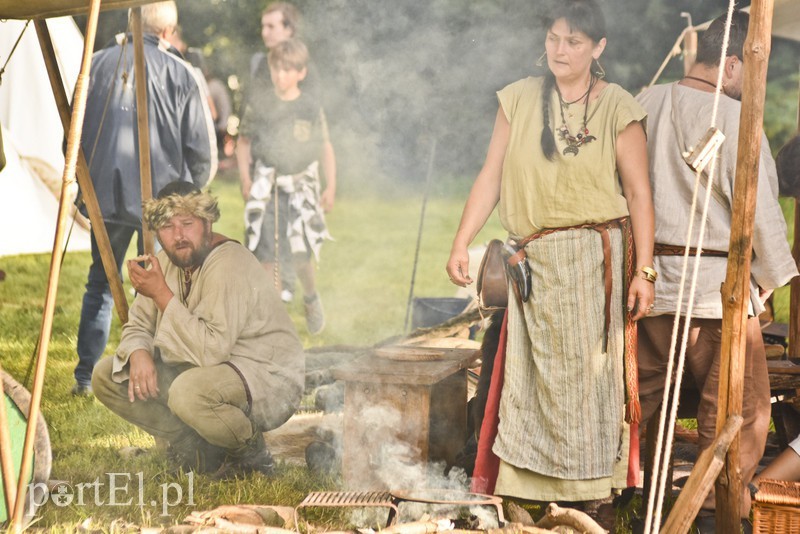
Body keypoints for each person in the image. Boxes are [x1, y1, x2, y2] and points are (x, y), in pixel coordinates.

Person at [446, 0, 654, 511]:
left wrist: (645, 270)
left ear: (599, 48)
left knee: (589, 379)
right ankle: (527, 489)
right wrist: (460, 239)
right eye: (555, 38)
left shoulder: (618, 106)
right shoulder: (517, 99)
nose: (561, 50)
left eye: (575, 42)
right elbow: (491, 174)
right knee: (531, 380)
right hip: (534, 264)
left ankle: (589, 495)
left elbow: (640, 194)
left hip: (594, 262)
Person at [635, 10, 798, 527]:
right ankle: (710, 514)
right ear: (732, 64)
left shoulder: (642, 102)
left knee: (643, 406)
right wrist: (770, 283)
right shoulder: (735, 120)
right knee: (739, 411)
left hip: (647, 289)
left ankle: (640, 502)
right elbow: (764, 221)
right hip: (715, 298)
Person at [92, 182, 304, 477]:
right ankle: (194, 448)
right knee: (106, 374)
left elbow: (211, 351)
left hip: (268, 377)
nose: (178, 236)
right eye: (167, 226)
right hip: (205, 372)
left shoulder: (229, 262)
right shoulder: (166, 262)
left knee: (186, 393)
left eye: (187, 224)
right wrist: (139, 351)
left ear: (207, 222)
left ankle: (251, 452)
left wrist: (162, 295)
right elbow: (139, 324)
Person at [72, 1, 216, 396]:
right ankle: (141, 371)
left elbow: (74, 133)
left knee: (101, 283)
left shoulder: (96, 63)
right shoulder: (179, 71)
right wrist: (188, 196)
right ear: (168, 31)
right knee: (160, 285)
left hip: (107, 194)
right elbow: (200, 148)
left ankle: (87, 376)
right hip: (163, 205)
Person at [237, 38, 335, 336]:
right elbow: (243, 142)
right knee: (267, 252)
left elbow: (325, 147)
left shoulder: (310, 107)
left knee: (301, 254)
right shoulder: (261, 104)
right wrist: (245, 178)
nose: (281, 75)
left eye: (288, 70)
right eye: (277, 69)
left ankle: (310, 297)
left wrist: (330, 186)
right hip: (267, 185)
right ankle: (275, 323)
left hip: (301, 185)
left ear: (301, 72)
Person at [247, 1, 323, 303]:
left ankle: (296, 288)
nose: (264, 32)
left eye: (272, 26)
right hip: (265, 166)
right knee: (263, 237)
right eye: (263, 26)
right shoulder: (258, 63)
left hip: (297, 171)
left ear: (289, 29)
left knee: (298, 240)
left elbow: (314, 124)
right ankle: (273, 295)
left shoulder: (305, 68)